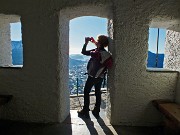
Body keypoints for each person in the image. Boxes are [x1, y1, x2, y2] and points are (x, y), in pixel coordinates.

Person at [77, 35, 113, 118]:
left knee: (86, 91)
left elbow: (84, 52)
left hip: (92, 76)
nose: (96, 42)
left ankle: (85, 110)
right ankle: (96, 110)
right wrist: (94, 42)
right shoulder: (107, 54)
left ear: (100, 43)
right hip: (100, 76)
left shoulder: (96, 52)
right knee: (97, 92)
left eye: (97, 41)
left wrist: (86, 43)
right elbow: (100, 49)